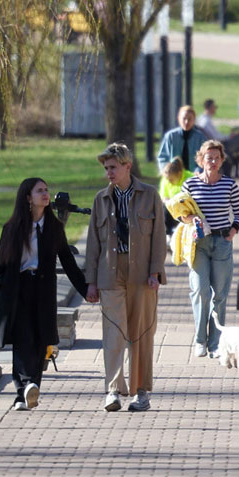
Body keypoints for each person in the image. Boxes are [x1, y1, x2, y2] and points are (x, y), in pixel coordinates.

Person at [0, 178, 89, 411]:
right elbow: (0, 264)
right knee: (23, 338)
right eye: (40, 191)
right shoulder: (13, 228)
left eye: (46, 190)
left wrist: (86, 290)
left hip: (44, 290)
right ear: (28, 198)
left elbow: (67, 261)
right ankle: (24, 388)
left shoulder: (53, 227)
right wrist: (0, 290)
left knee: (40, 340)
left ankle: (29, 390)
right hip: (19, 289)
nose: (46, 195)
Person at [87, 143, 167, 412]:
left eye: (113, 167)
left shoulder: (149, 195)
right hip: (110, 274)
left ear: (127, 166)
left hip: (142, 274)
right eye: (106, 168)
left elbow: (158, 238)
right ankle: (113, 390)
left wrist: (155, 272)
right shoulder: (101, 199)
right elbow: (93, 244)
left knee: (140, 333)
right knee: (113, 333)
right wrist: (91, 282)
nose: (108, 172)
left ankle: (141, 391)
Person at [179, 140, 239, 358]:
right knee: (200, 292)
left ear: (222, 160)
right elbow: (181, 214)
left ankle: (216, 342)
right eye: (209, 158)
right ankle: (200, 340)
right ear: (201, 159)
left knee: (220, 295)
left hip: (222, 243)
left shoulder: (229, 185)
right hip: (199, 245)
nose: (213, 162)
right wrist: (191, 219)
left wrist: (233, 231)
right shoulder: (190, 185)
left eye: (217, 158)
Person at [158, 105, 207, 173]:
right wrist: (167, 170)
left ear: (194, 120)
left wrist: (198, 171)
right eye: (184, 118)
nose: (186, 122)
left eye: (189, 119)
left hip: (194, 176)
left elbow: (205, 158)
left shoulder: (200, 138)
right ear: (178, 119)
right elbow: (162, 157)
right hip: (173, 175)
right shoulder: (171, 136)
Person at [158, 156, 193, 240]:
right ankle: (167, 234)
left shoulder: (190, 178)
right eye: (167, 179)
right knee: (163, 208)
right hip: (171, 208)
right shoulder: (165, 179)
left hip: (186, 207)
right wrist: (167, 201)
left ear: (179, 174)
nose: (169, 181)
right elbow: (164, 196)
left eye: (171, 179)